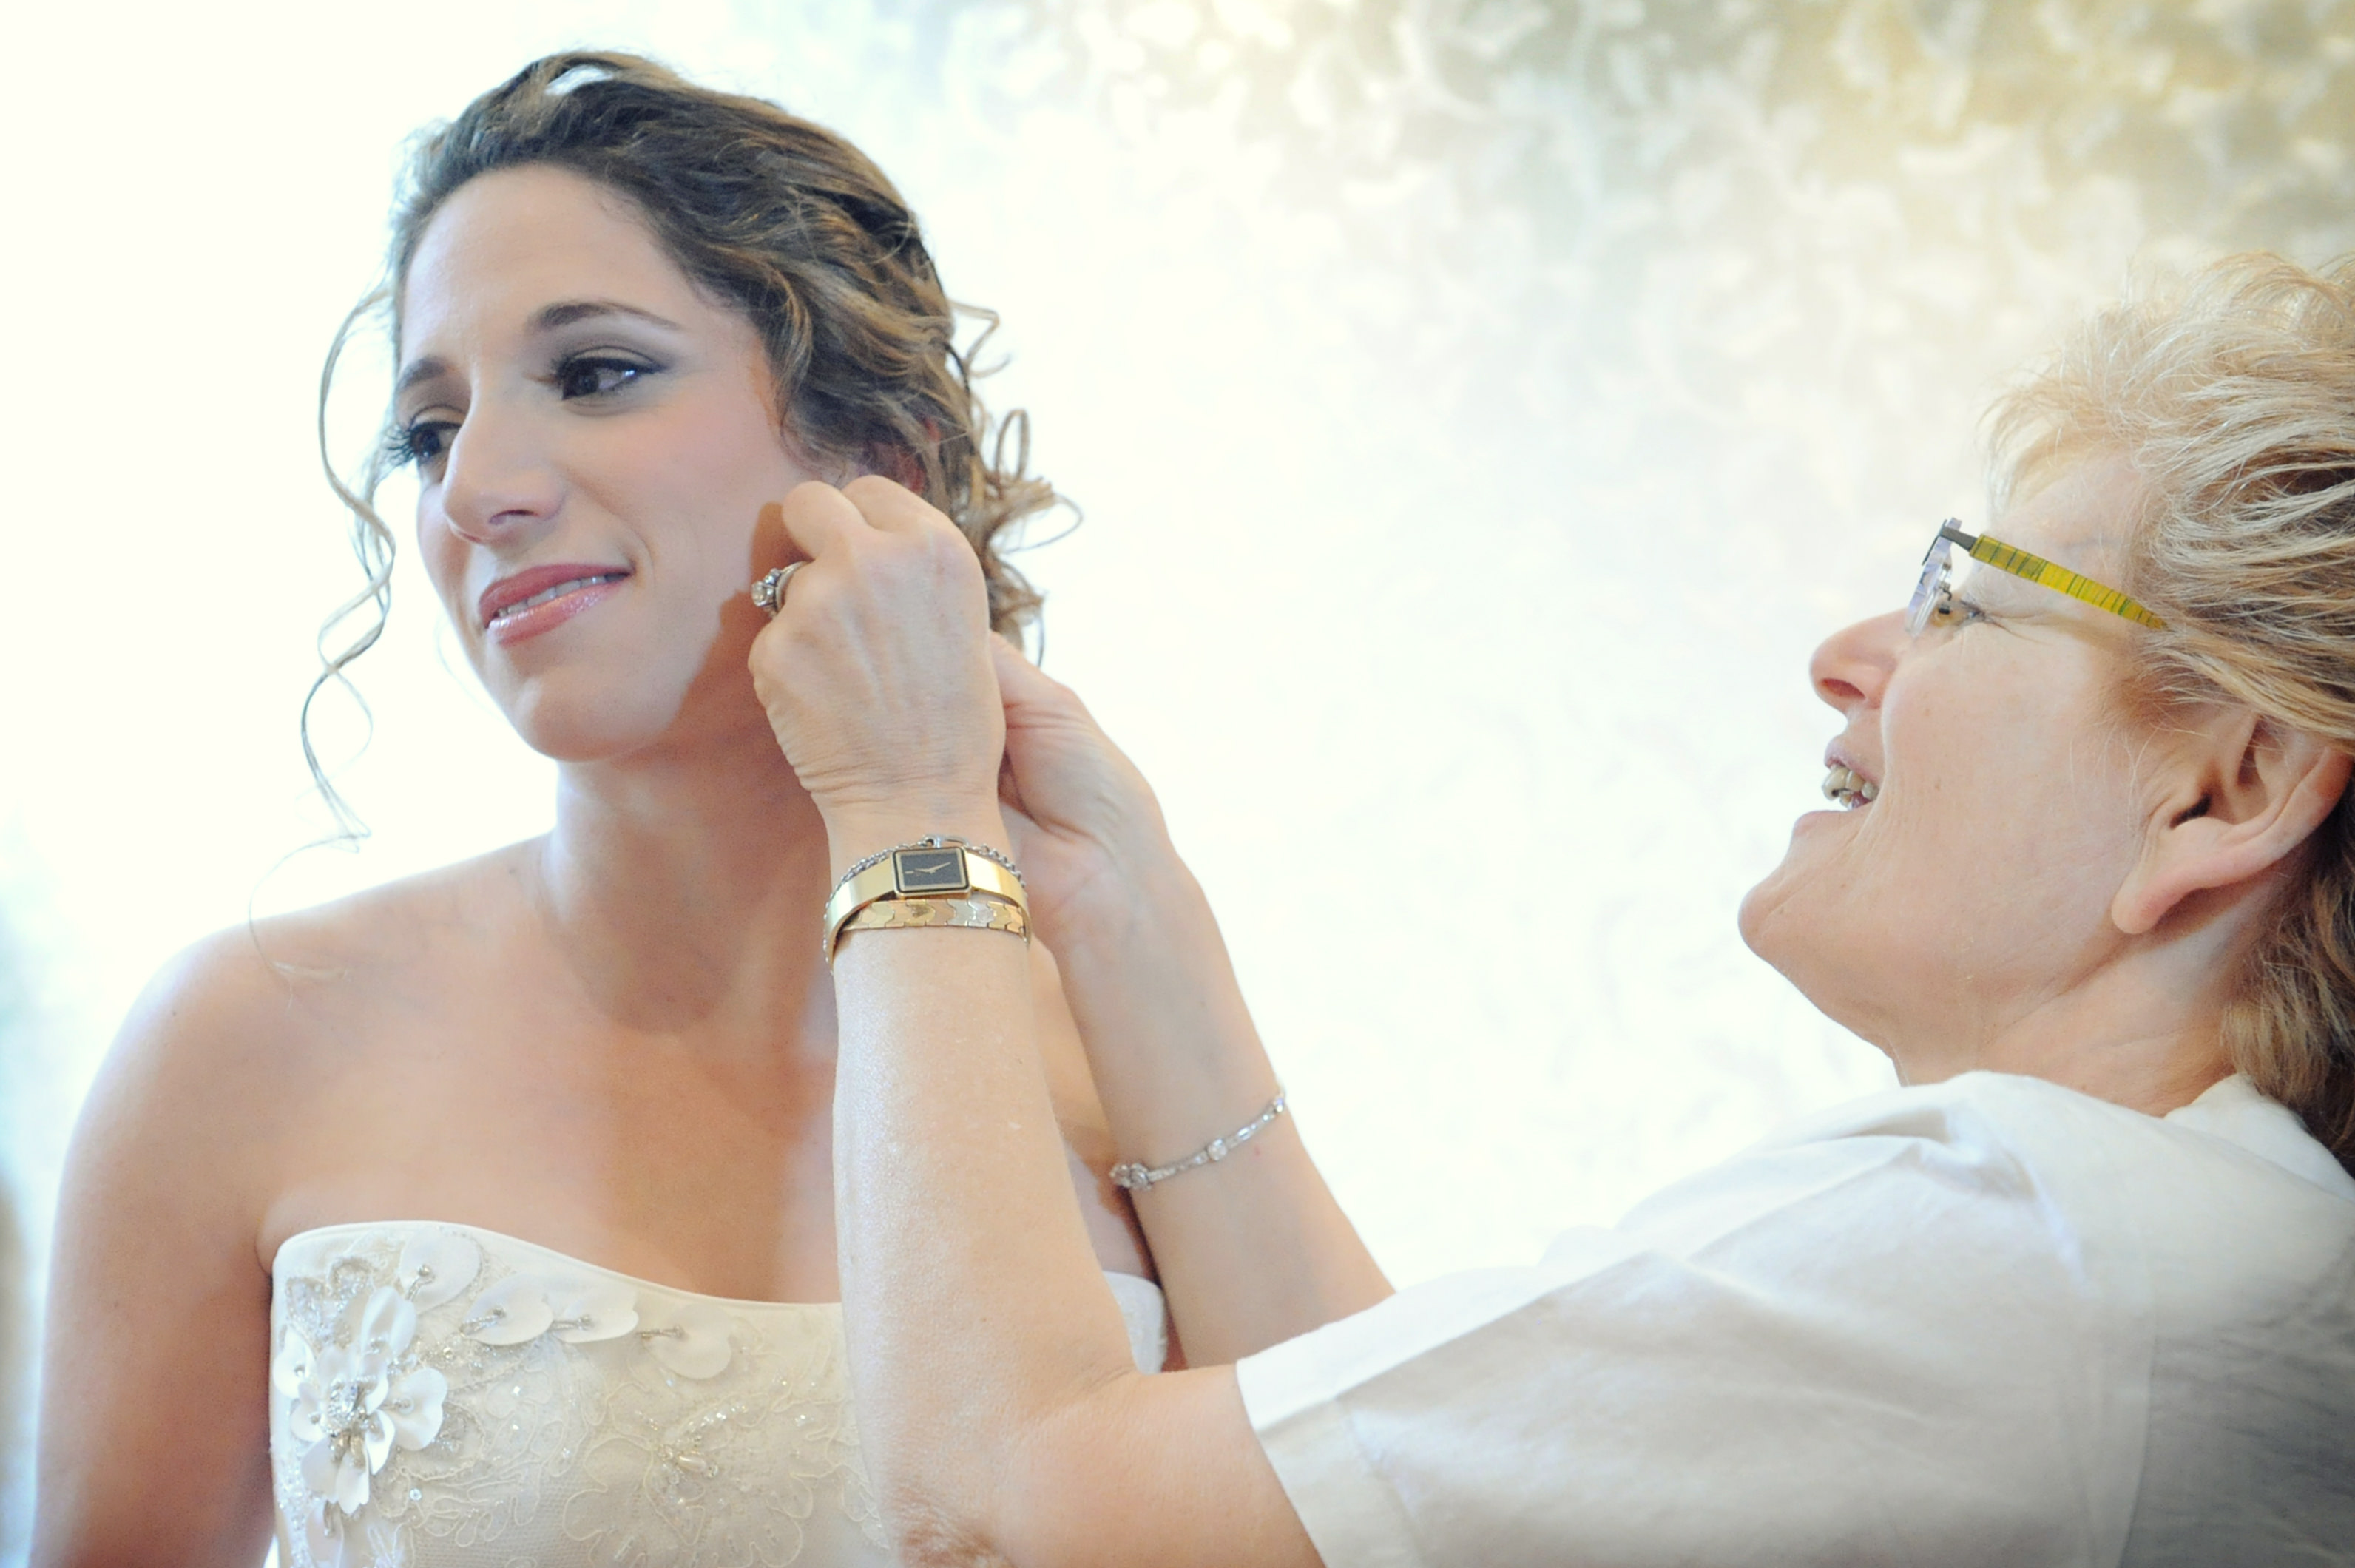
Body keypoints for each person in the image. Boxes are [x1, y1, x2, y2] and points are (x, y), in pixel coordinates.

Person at [756, 252, 2355, 1565]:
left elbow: (997, 1512)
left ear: (2221, 790)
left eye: (1961, 598)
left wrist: (905, 822)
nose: (1851, 649)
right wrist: (1124, 920)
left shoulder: (2032, 1235)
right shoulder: (2191, 1234)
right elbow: (1399, 1489)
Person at [32, 53, 1185, 1568]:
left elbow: (1381, 1519)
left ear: (874, 466)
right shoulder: (244, 1039)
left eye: (593, 372)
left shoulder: (1111, 1036)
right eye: (429, 431)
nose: (476, 490)